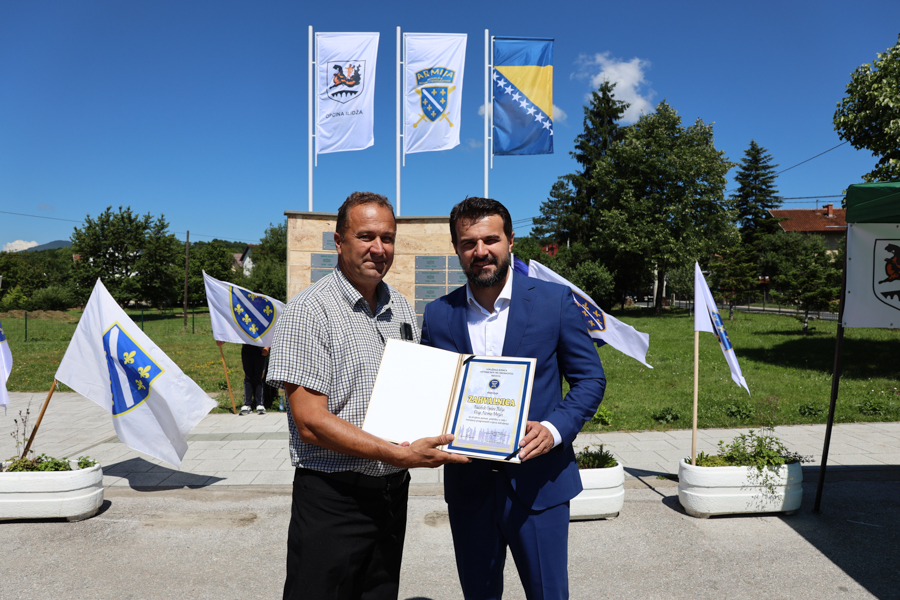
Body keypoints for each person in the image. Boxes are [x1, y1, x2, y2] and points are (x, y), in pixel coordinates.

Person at [267, 191, 469, 600]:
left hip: (391, 495)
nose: (379, 248)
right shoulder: (308, 311)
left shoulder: (400, 308)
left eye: (388, 238)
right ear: (339, 241)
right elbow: (310, 423)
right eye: (366, 236)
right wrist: (397, 454)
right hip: (334, 499)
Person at [421, 197, 606, 600]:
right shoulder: (437, 315)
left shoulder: (555, 302)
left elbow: (590, 379)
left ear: (510, 241)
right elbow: (431, 392)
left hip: (539, 485)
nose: (480, 251)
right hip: (469, 489)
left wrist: (554, 429)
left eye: (490, 239)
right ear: (456, 249)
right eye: (468, 243)